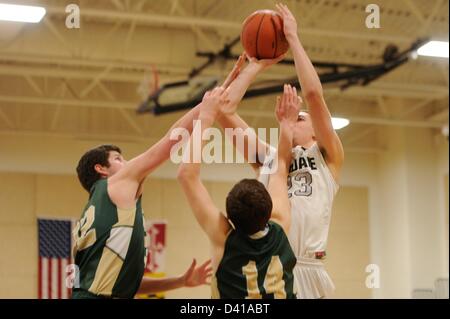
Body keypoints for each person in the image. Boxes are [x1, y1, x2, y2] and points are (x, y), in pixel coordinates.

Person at [216, 3, 344, 299]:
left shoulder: (327, 156)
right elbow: (223, 110)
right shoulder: (270, 158)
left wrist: (294, 39)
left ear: (316, 130)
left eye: (302, 117)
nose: (296, 117)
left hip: (308, 268)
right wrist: (257, 65)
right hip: (269, 265)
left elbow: (312, 94)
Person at [72, 90, 217, 298]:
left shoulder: (94, 213)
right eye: (119, 159)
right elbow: (171, 140)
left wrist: (181, 281)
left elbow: (127, 284)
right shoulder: (115, 186)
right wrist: (206, 109)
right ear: (101, 169)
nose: (128, 163)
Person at [177, 84, 300, 299]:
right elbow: (280, 164)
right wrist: (287, 124)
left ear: (229, 217)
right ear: (269, 209)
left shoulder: (223, 238)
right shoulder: (280, 223)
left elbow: (186, 175)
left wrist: (206, 118)